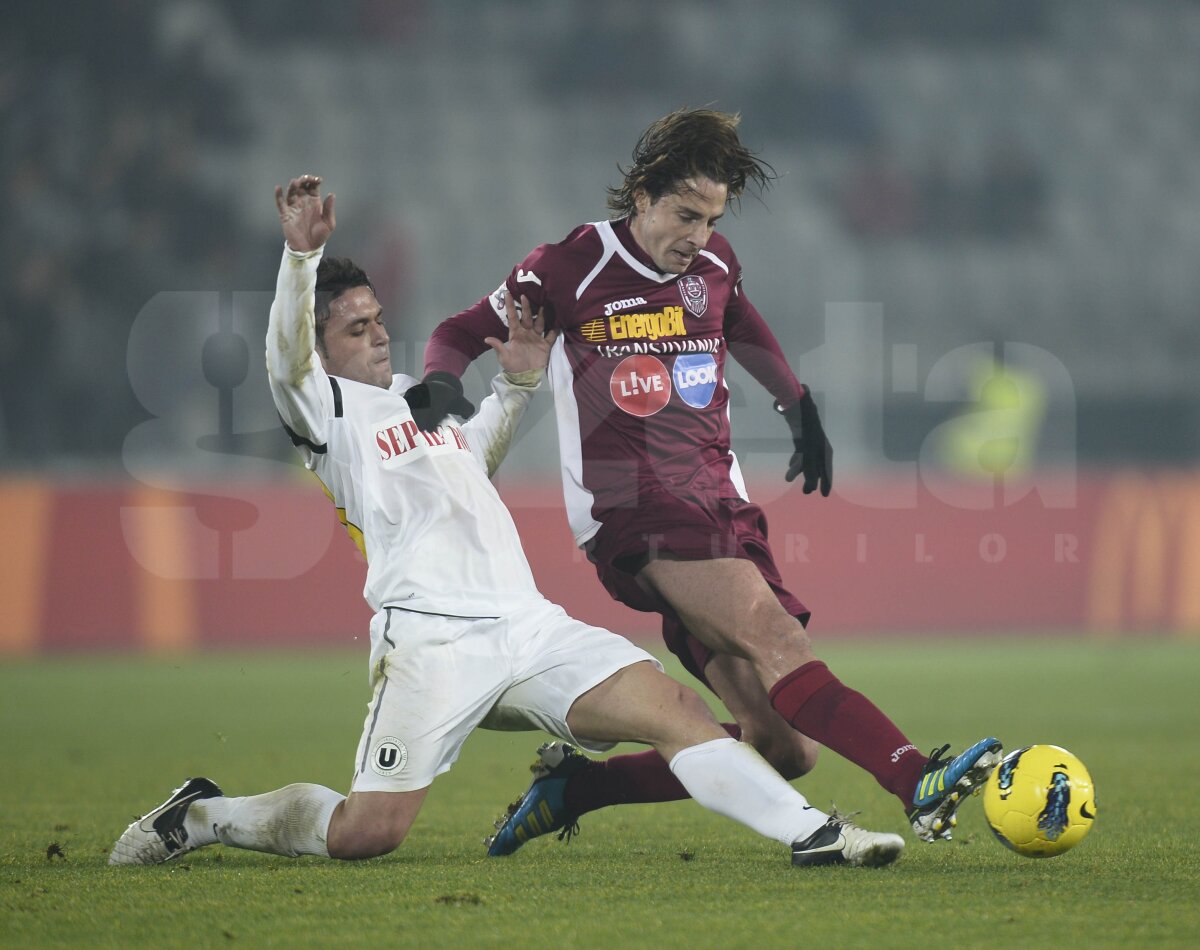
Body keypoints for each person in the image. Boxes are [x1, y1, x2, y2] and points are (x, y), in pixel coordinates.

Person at [109, 174, 907, 870]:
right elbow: (284, 360)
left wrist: (518, 387)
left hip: (528, 629)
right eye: (356, 328)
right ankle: (208, 815)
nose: (381, 332)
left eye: (379, 317)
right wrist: (300, 259)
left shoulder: (418, 404)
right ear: (323, 355)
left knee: (679, 713)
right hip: (430, 641)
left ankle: (814, 833)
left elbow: (470, 460)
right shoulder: (324, 412)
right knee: (367, 832)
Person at [419, 109, 1001, 855]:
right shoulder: (570, 265)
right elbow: (463, 330)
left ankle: (578, 787)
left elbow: (743, 324)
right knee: (774, 633)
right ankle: (915, 776)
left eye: (712, 217)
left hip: (721, 505)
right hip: (635, 510)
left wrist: (798, 405)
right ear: (643, 197)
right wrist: (440, 382)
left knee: (785, 746)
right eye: (685, 215)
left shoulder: (713, 265)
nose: (697, 234)